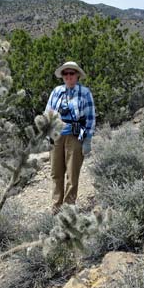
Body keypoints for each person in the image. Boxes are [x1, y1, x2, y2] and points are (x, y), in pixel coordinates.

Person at [45, 61, 96, 215]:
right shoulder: (56, 91)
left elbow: (90, 117)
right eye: (65, 74)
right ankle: (56, 206)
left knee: (72, 174)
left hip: (75, 135)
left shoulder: (85, 93)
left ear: (77, 75)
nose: (68, 76)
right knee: (56, 172)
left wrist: (87, 140)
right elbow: (48, 112)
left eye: (71, 73)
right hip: (56, 135)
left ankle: (68, 207)